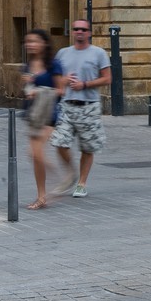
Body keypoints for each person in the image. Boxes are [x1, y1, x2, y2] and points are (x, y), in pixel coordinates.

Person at [52, 19, 112, 198]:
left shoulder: (98, 53)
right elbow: (56, 79)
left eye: (83, 29)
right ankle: (71, 174)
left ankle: (81, 183)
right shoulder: (62, 53)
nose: (79, 32)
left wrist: (85, 84)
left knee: (87, 147)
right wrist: (64, 80)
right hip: (66, 105)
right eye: (76, 29)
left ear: (89, 33)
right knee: (59, 142)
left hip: (89, 106)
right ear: (72, 32)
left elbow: (107, 79)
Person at [20, 29, 63, 209]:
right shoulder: (27, 66)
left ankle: (58, 180)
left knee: (34, 153)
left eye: (34, 41)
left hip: (49, 114)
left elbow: (62, 90)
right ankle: (41, 196)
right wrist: (28, 88)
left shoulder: (54, 65)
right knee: (36, 157)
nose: (30, 44)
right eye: (28, 41)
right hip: (34, 114)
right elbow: (27, 89)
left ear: (44, 43)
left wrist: (41, 91)